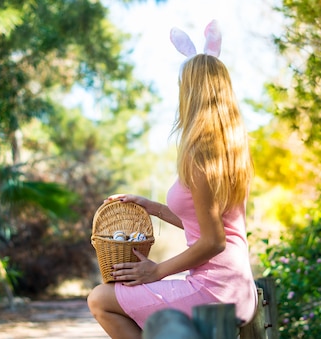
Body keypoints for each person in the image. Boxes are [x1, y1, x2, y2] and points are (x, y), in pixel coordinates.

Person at [87, 20, 258, 339]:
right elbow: (206, 224)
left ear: (192, 93)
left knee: (100, 299)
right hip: (236, 286)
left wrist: (156, 271)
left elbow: (214, 241)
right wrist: (152, 207)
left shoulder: (199, 156)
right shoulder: (230, 150)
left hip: (216, 290)